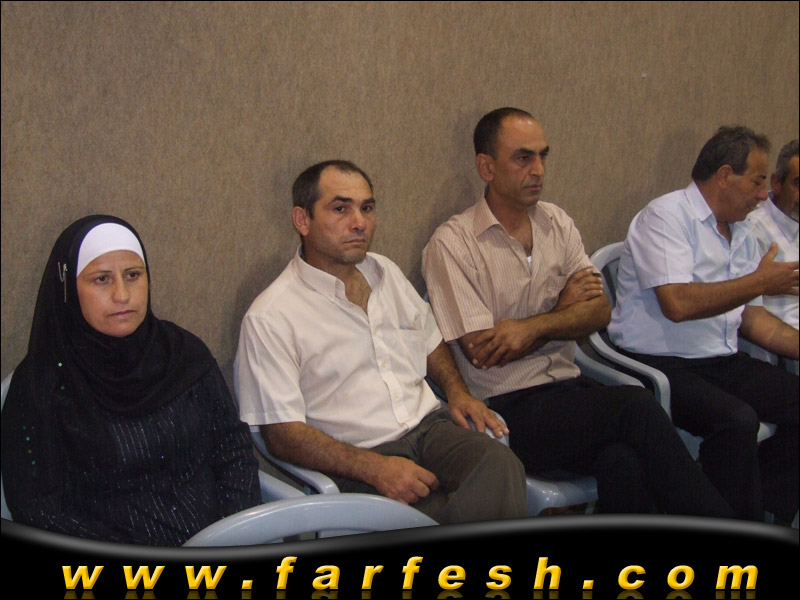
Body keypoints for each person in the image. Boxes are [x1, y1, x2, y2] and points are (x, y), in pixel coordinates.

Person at [422, 107, 734, 518]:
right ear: (487, 167)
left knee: (622, 461)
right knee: (636, 407)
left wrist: (532, 326)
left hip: (569, 389)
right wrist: (562, 311)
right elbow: (483, 351)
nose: (538, 170)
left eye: (542, 156)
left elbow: (599, 310)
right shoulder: (453, 244)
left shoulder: (556, 222)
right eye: (523, 158)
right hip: (506, 409)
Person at [234, 160, 527, 524]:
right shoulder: (271, 316)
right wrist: (374, 468)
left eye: (367, 208)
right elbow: (281, 434)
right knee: (434, 516)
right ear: (302, 220)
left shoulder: (384, 271)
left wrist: (457, 392)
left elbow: (429, 340)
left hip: (430, 427)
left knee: (501, 465)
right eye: (341, 209)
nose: (359, 222)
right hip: (358, 454)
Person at [1, 215, 261, 545]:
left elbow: (233, 449)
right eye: (101, 279)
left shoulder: (184, 354)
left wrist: (235, 533)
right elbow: (40, 510)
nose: (122, 294)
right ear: (69, 289)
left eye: (133, 275)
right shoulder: (42, 385)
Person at [608, 126, 799, 523]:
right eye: (757, 181)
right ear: (725, 175)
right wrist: (759, 282)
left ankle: (765, 510)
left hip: (720, 359)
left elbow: (752, 319)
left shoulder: (743, 229)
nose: (764, 195)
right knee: (736, 420)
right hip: (657, 362)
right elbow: (677, 304)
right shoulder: (666, 216)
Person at [747, 139, 799, 331]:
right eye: (798, 183)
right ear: (776, 183)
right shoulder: (752, 230)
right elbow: (746, 317)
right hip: (782, 341)